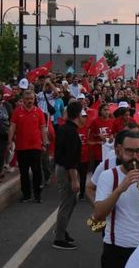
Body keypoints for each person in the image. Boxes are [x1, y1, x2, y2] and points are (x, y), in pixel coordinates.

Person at [93, 131, 139, 268]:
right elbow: (98, 215)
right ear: (119, 151)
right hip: (115, 247)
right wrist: (120, 188)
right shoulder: (107, 176)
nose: (134, 157)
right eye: (129, 151)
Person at [53, 101, 85, 250]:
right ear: (78, 115)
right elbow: (70, 159)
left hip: (64, 168)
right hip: (67, 170)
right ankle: (59, 238)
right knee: (66, 203)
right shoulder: (71, 132)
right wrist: (74, 180)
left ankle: (62, 230)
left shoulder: (65, 128)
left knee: (71, 202)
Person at [8, 90, 49, 203]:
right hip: (21, 147)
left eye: (31, 99)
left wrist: (44, 143)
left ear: (34, 99)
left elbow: (42, 129)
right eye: (27, 99)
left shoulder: (39, 112)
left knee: (36, 171)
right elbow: (12, 126)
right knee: (24, 172)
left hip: (36, 146)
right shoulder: (17, 112)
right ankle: (26, 194)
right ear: (23, 100)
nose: (29, 101)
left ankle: (37, 194)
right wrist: (9, 140)